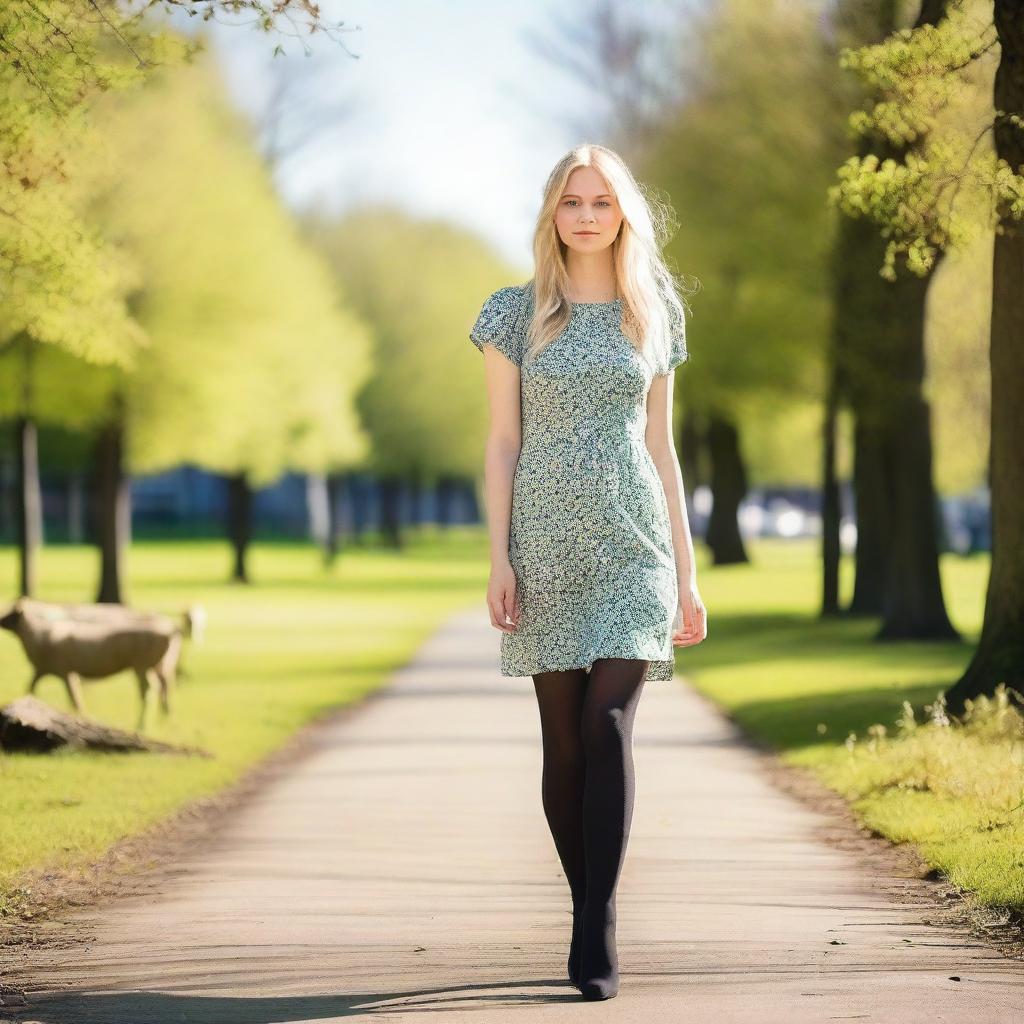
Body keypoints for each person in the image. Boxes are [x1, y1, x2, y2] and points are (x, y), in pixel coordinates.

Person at [468, 143, 707, 1002]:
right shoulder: (513, 314)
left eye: (602, 201)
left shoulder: (655, 312)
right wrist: (497, 556)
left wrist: (686, 574)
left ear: (624, 215)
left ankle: (595, 924)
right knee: (564, 744)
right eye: (572, 201)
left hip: (632, 545)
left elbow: (663, 447)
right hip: (546, 544)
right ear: (552, 215)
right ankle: (582, 904)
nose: (586, 215)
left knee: (607, 725)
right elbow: (501, 441)